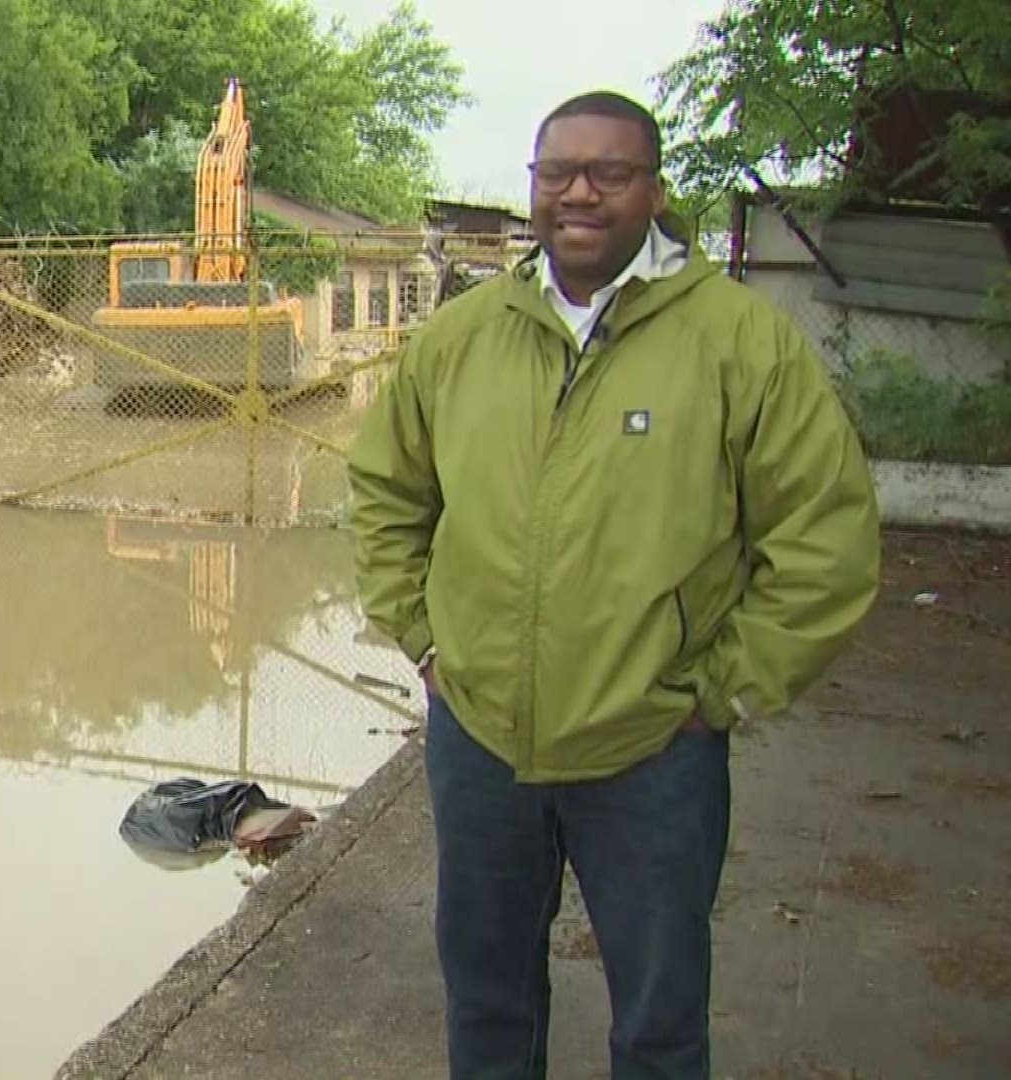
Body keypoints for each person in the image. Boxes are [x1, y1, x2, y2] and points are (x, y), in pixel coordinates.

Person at [346, 90, 882, 1079]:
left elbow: (827, 541)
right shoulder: (464, 337)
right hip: (483, 744)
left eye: (610, 172)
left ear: (654, 189)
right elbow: (384, 489)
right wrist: (425, 638)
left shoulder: (738, 342)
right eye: (558, 173)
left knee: (660, 1022)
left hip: (653, 752)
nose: (579, 193)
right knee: (488, 1004)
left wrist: (721, 689)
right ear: (534, 188)